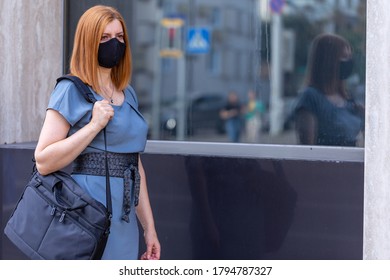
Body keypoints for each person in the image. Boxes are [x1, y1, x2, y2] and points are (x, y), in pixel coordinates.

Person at [34, 5, 160, 260]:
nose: (114, 43)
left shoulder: (128, 93)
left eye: (119, 37)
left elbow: (135, 166)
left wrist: (149, 229)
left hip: (124, 219)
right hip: (88, 214)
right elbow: (43, 160)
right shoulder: (71, 90)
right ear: (88, 43)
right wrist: (93, 126)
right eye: (104, 38)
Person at [294, 33, 364, 146]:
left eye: (350, 57)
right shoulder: (311, 97)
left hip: (350, 163)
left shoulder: (347, 98)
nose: (349, 62)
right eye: (344, 57)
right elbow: (308, 151)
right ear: (329, 61)